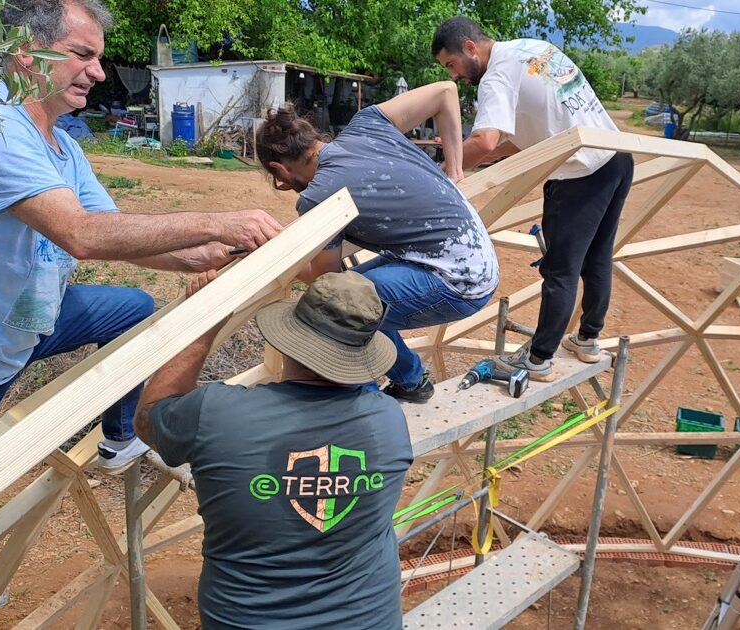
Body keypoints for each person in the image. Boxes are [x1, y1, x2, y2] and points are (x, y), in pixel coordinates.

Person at [0, 0, 283, 488]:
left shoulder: (64, 147)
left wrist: (215, 257)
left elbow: (116, 234)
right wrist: (218, 222)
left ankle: (122, 438)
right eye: (82, 54)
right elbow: (80, 234)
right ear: (24, 52)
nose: (98, 73)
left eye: (98, 58)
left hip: (18, 325)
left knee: (131, 309)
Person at [134, 271, 412, 629]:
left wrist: (203, 326)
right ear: (363, 353)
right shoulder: (388, 419)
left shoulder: (217, 414)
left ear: (286, 340)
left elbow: (147, 419)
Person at [255, 82, 498, 403]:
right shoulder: (368, 123)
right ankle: (412, 381)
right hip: (475, 258)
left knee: (337, 309)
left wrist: (273, 249)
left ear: (280, 168)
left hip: (461, 282)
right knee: (358, 291)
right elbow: (446, 92)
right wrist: (454, 170)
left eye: (283, 183)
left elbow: (325, 282)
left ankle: (363, 404)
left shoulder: (319, 194)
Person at [432, 16, 634, 382]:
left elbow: (486, 142)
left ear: (470, 48)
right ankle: (588, 339)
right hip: (616, 156)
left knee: (560, 269)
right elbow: (510, 141)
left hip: (579, 172)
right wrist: (470, 153)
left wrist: (449, 164)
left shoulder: (494, 76)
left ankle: (539, 359)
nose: (454, 75)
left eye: (451, 64)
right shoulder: (530, 48)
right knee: (597, 257)